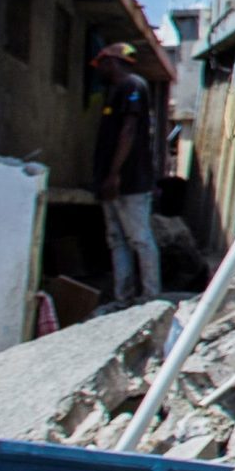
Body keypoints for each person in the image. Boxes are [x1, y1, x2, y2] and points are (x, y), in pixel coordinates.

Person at [91, 42, 162, 305]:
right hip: (112, 182)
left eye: (101, 64)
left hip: (129, 180)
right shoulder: (114, 91)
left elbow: (128, 131)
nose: (99, 70)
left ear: (112, 62)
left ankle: (151, 297)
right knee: (116, 240)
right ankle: (125, 297)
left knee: (139, 239)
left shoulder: (133, 86)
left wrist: (114, 174)